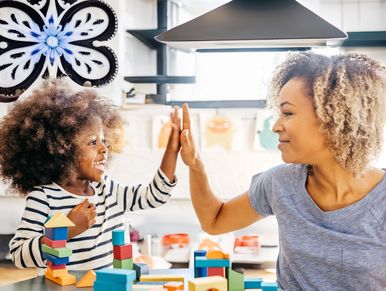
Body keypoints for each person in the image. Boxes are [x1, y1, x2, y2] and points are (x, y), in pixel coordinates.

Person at [180, 52, 386, 290]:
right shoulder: (280, 183)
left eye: (287, 113)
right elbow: (214, 221)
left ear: (333, 117)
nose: (276, 126)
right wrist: (195, 164)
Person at [0, 80, 181, 270]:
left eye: (103, 140)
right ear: (62, 149)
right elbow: (20, 255)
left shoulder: (108, 189)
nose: (104, 149)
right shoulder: (44, 198)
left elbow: (155, 196)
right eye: (93, 142)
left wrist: (172, 150)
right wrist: (67, 230)